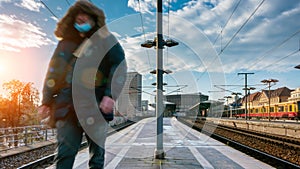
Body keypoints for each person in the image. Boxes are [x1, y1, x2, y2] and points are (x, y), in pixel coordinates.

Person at [38, 1, 127, 168]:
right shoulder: (64, 44)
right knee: (64, 154)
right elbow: (53, 72)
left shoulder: (106, 41)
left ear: (94, 20)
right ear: (72, 21)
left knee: (97, 155)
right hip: (67, 107)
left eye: (85, 19)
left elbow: (119, 66)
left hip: (96, 106)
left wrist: (110, 95)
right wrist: (46, 100)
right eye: (78, 20)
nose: (82, 23)